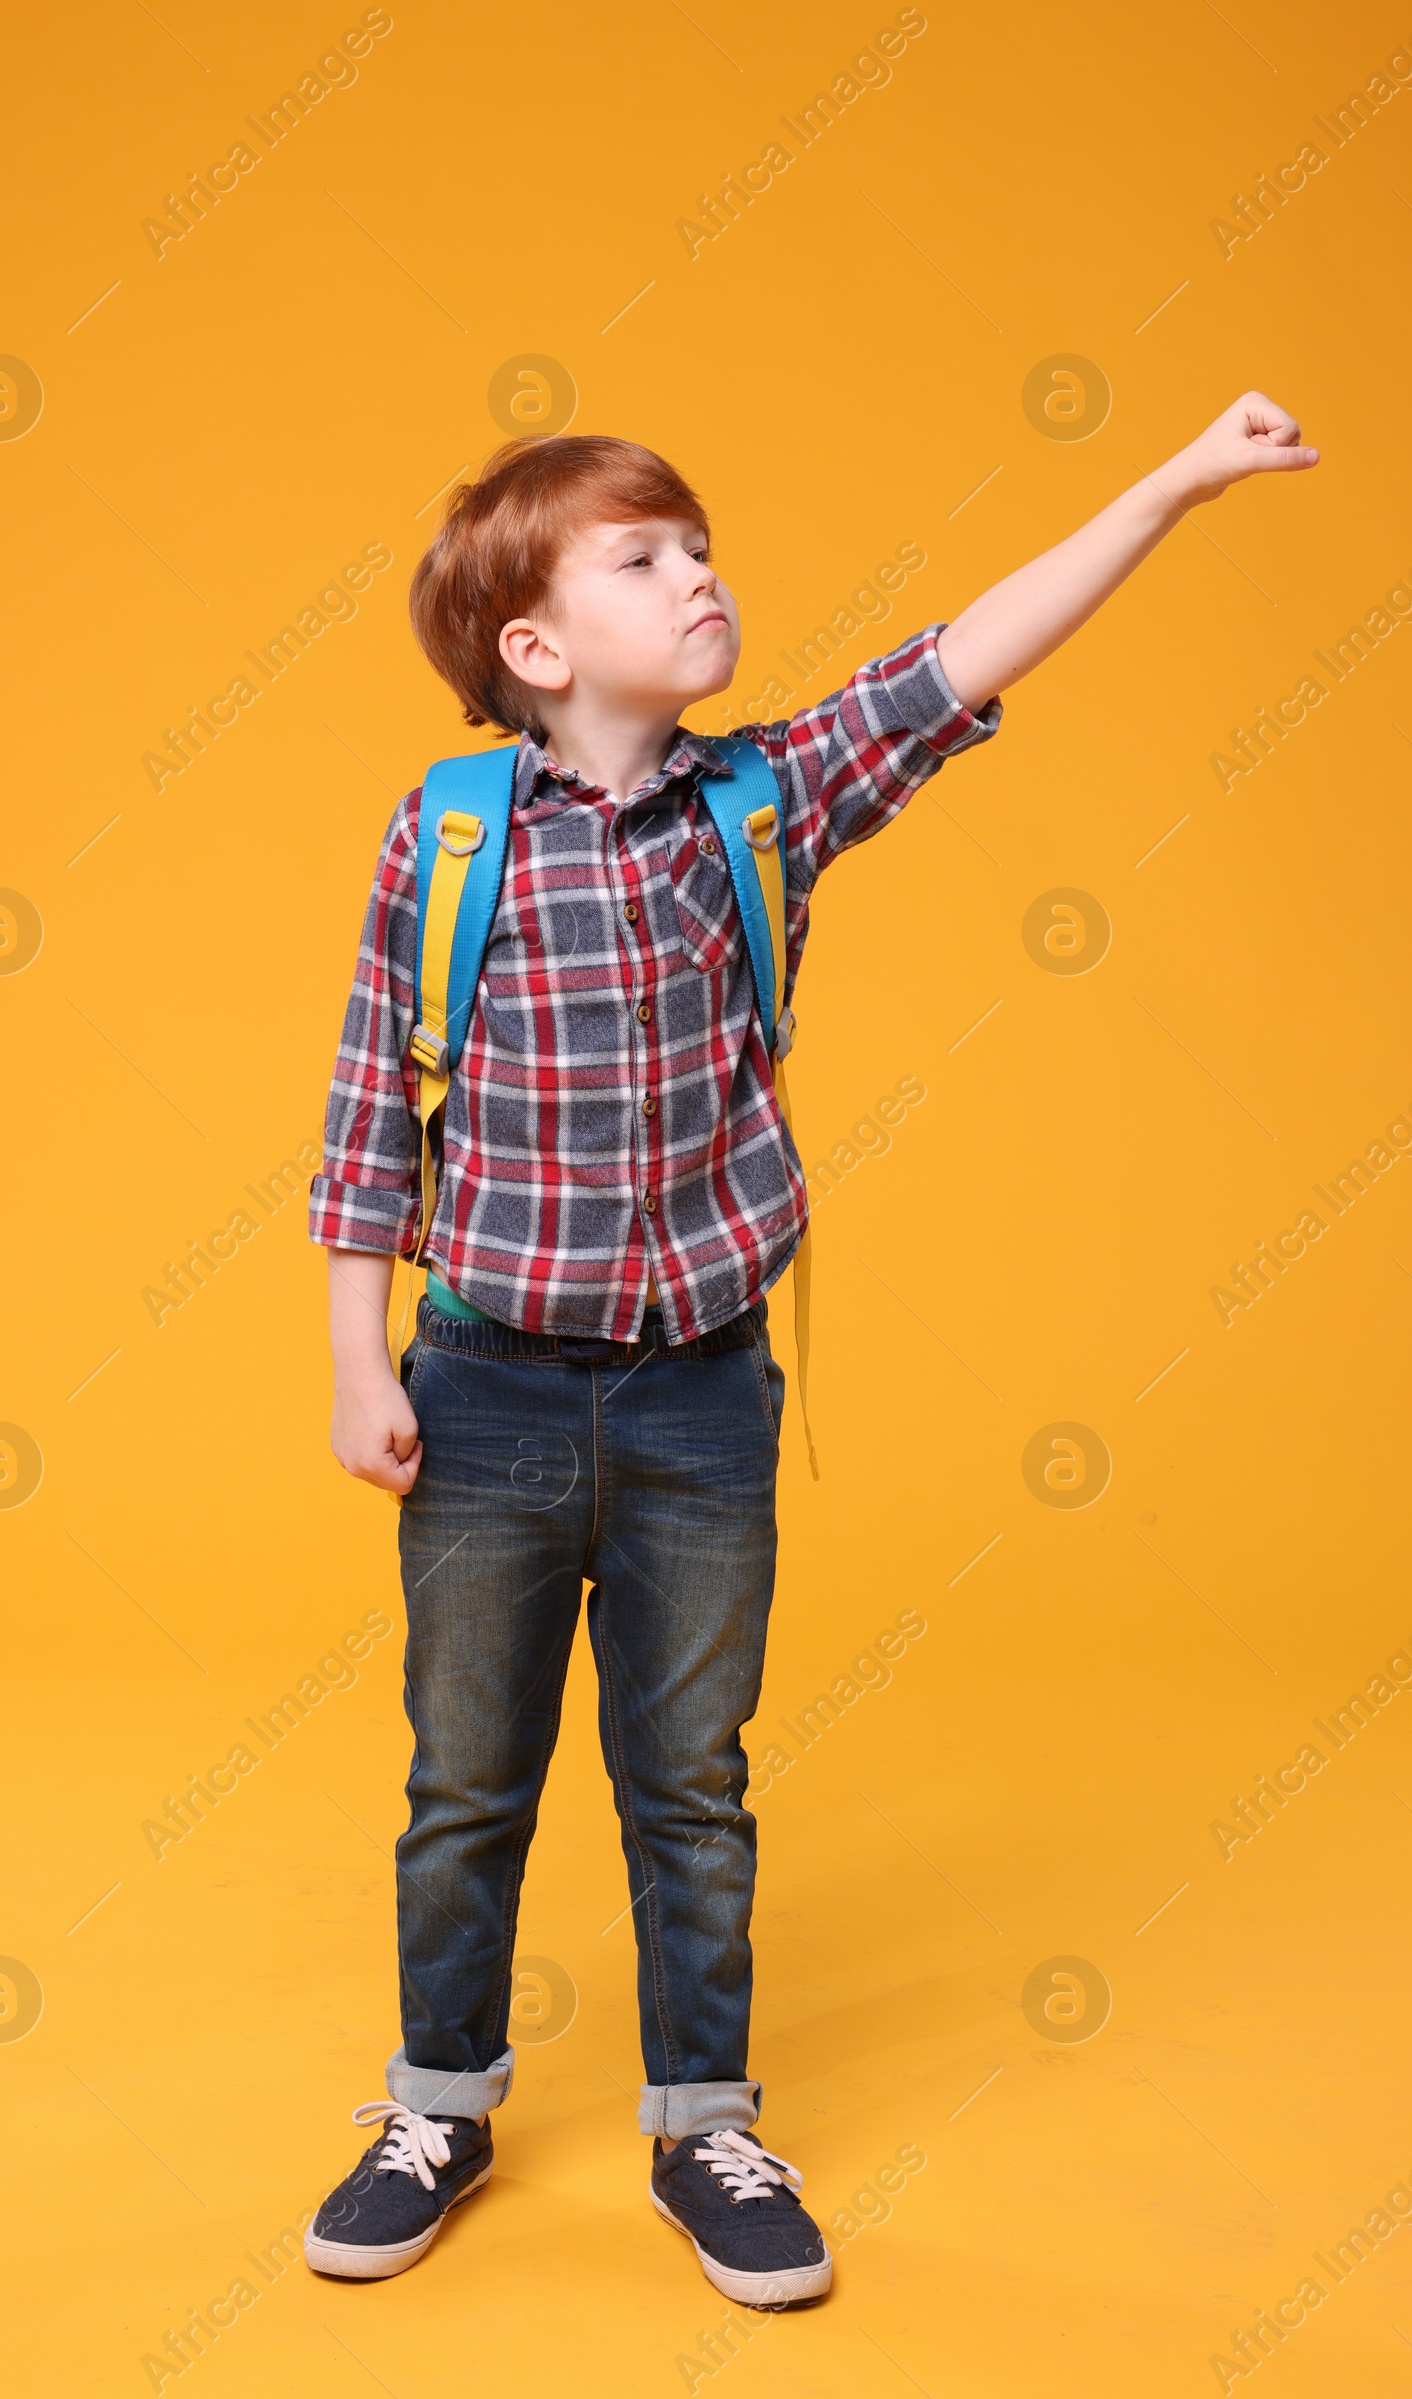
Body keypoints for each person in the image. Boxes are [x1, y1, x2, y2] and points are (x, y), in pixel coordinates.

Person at [302, 394, 1318, 2299]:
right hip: (487, 1388)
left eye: (700, 549)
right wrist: (363, 1365)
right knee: (467, 1775)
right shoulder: (446, 844)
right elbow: (375, 1107)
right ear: (534, 650)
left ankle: (709, 2127)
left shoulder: (763, 802)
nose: (701, 578)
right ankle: (437, 2098)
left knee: (689, 1772)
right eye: (645, 559)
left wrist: (1173, 485)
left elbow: (964, 654)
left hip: (701, 1389)